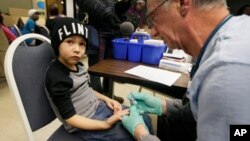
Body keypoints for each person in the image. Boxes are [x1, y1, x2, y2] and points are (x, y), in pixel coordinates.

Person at [121, 0, 250, 141]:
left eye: (154, 17)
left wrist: (142, 136)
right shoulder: (240, 31)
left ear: (183, 4)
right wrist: (164, 106)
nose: (154, 31)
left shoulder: (225, 72)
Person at [45, 17, 153, 141]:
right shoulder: (57, 77)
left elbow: (87, 89)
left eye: (82, 44)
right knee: (129, 135)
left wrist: (107, 99)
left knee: (143, 117)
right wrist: (105, 124)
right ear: (58, 43)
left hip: (99, 107)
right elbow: (70, 118)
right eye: (70, 41)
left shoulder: (78, 66)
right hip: (84, 123)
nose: (77, 49)